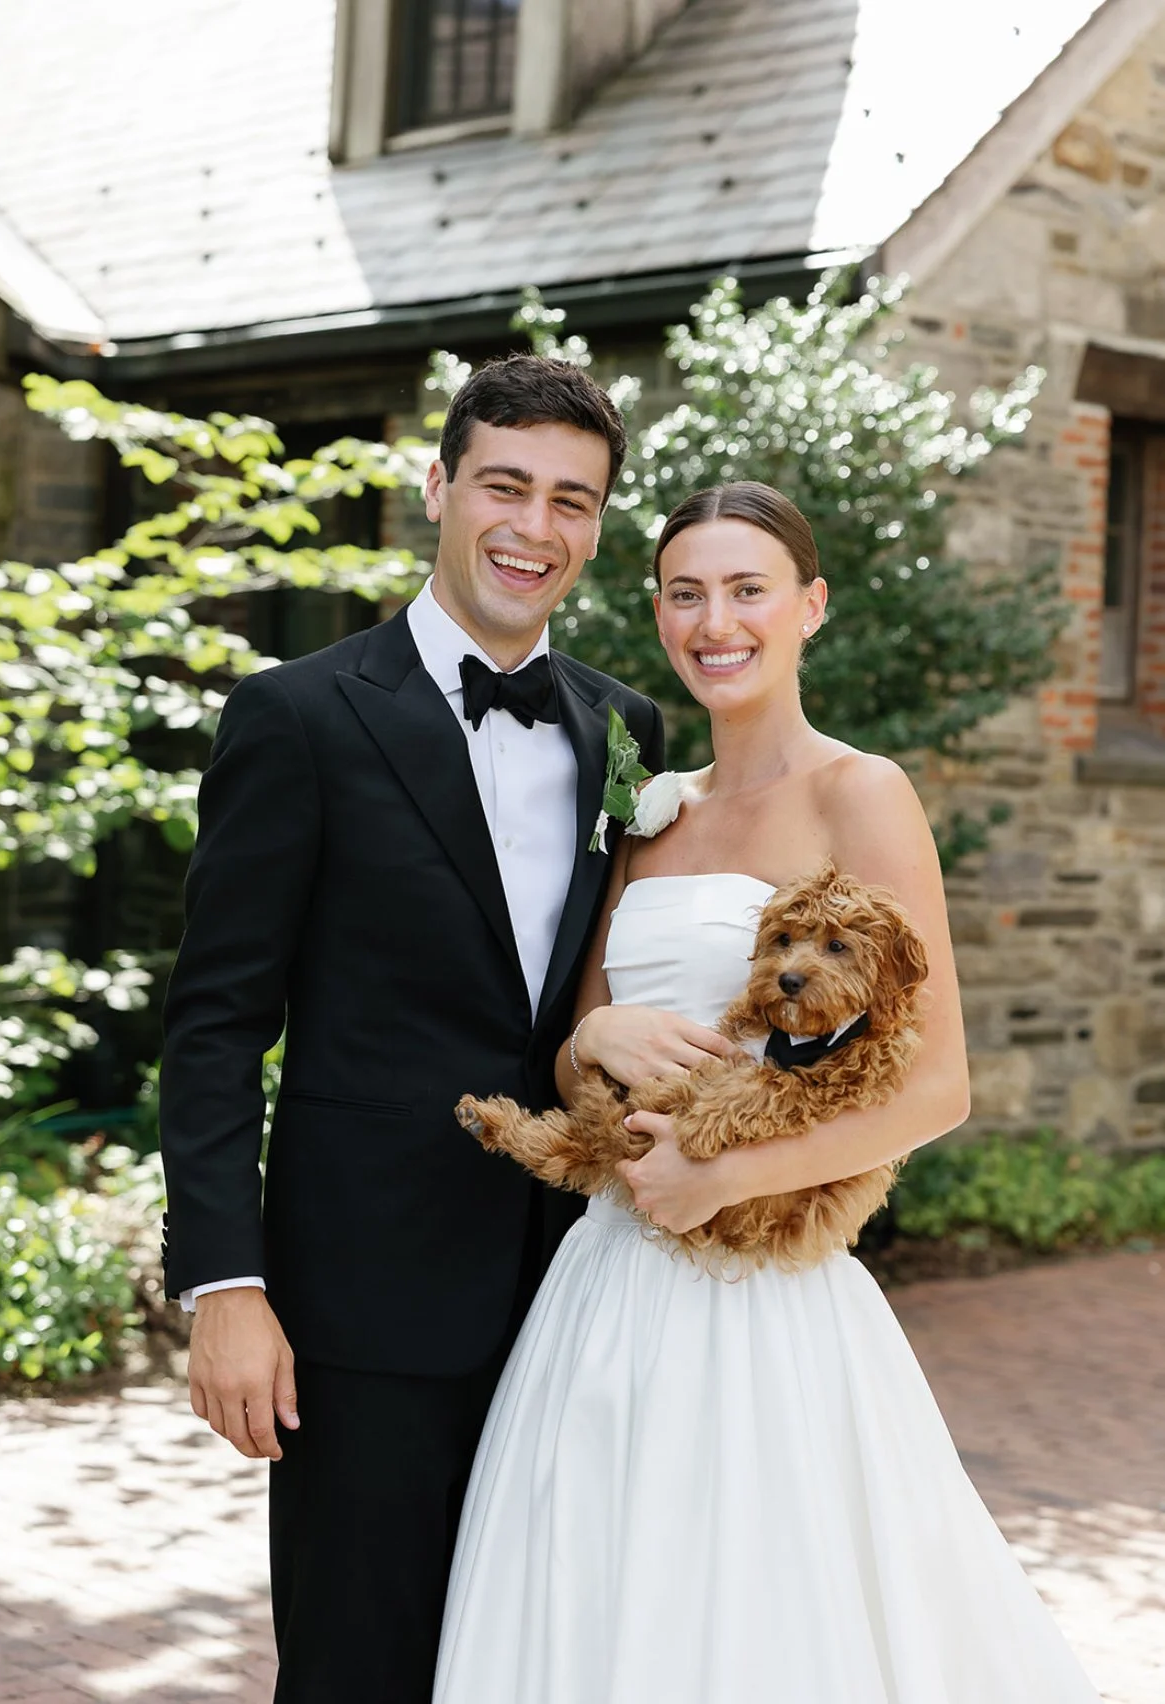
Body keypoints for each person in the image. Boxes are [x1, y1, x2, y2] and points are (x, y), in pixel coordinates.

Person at [433, 481, 1103, 1703]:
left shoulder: (862, 792)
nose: (716, 621)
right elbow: (574, 1046)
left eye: (748, 590)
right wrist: (600, 1037)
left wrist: (717, 1177)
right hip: (607, 1283)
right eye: (687, 594)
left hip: (762, 1290)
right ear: (657, 614)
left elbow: (936, 1082)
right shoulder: (649, 810)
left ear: (811, 606)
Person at [158, 354, 675, 1703]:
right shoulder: (298, 716)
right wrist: (226, 1286)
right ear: (437, 486)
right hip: (363, 1302)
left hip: (581, 1290)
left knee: (544, 1660)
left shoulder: (626, 729)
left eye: (573, 500)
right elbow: (216, 1022)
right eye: (503, 485)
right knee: (358, 1667)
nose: (534, 527)